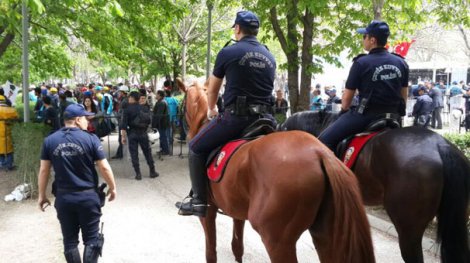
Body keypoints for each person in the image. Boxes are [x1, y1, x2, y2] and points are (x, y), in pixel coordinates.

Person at [175, 10, 276, 217]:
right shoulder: (269, 55)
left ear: (237, 29)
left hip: (237, 118)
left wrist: (211, 108)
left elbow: (212, 89)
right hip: (266, 119)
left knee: (195, 147)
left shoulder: (228, 52)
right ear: (256, 31)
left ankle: (199, 201)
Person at [37, 103, 117, 263]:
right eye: (86, 119)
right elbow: (104, 167)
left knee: (70, 242)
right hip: (88, 197)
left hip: (64, 198)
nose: (88, 122)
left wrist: (41, 195)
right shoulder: (91, 139)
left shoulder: (50, 140)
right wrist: (113, 187)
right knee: (92, 240)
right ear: (78, 120)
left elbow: (44, 170)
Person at [318, 20, 409, 152]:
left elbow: (346, 100)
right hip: (393, 116)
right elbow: (404, 95)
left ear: (372, 40)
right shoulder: (401, 62)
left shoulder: (361, 63)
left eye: (364, 36)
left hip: (367, 116)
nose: (363, 40)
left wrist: (344, 111)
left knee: (323, 141)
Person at [120, 91, 159, 180]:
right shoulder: (144, 108)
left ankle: (138, 174)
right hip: (143, 133)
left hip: (132, 134)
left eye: (129, 97)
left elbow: (123, 125)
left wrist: (123, 137)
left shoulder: (126, 110)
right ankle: (152, 171)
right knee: (147, 152)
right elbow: (149, 121)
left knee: (134, 154)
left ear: (131, 98)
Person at [0, 96, 18, 170]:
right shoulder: (11, 110)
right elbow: (16, 118)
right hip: (8, 131)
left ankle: (2, 164)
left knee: (0, 148)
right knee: (9, 149)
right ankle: (9, 165)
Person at [152, 90, 170, 155]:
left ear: (159, 95)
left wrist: (154, 124)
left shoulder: (161, 103)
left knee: (163, 137)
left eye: (156, 94)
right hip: (162, 123)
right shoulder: (161, 102)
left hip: (162, 123)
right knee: (162, 137)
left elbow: (159, 115)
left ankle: (165, 151)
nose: (155, 95)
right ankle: (163, 150)